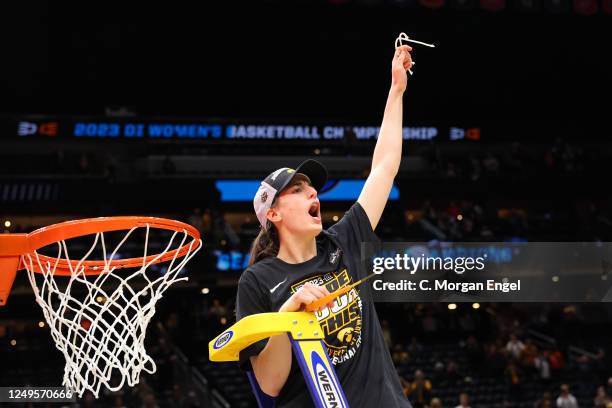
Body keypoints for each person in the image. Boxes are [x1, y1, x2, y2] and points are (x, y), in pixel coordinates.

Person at [235, 43, 415, 407]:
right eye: (298, 191)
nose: (312, 194)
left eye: (312, 188)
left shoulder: (344, 240)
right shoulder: (258, 280)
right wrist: (287, 313)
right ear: (274, 214)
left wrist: (396, 90)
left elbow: (384, 166)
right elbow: (268, 386)